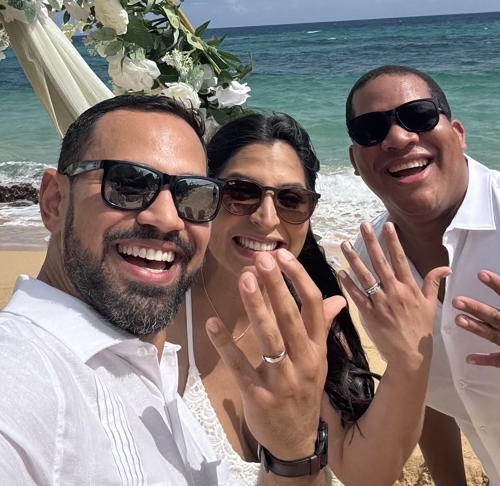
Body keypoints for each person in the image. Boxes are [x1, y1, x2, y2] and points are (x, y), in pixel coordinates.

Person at [0, 94, 348, 486]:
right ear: (54, 201)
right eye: (129, 184)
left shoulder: (149, 368)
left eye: (191, 194)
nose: (168, 218)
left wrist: (291, 454)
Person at [168, 112, 449, 486]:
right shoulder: (160, 313)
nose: (267, 218)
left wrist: (411, 361)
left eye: (290, 199)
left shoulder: (313, 321)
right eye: (241, 192)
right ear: (207, 193)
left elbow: (366, 473)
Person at [345, 64, 500, 486]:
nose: (397, 138)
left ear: (458, 133)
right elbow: (425, 392)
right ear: (355, 161)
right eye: (371, 128)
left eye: (419, 116)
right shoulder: (370, 261)